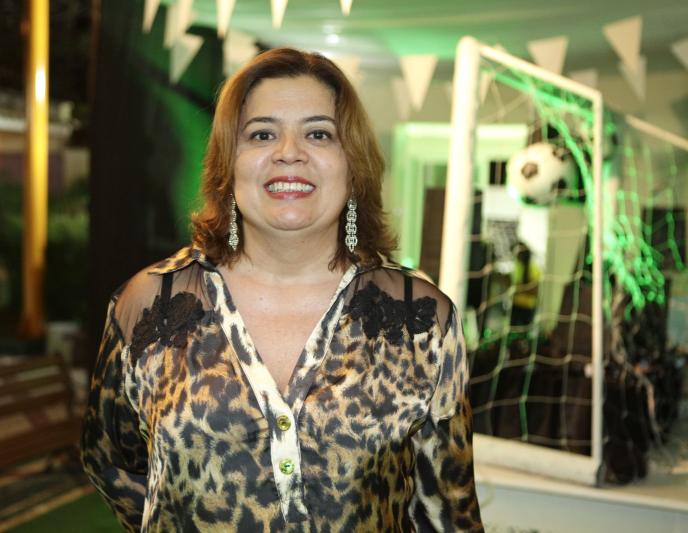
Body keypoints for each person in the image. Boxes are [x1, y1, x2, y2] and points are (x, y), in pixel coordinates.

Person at [82, 47, 483, 532]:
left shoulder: (420, 318)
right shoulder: (151, 305)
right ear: (229, 164)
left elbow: (449, 513)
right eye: (262, 134)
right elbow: (113, 464)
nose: (288, 152)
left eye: (318, 133)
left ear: (352, 163)